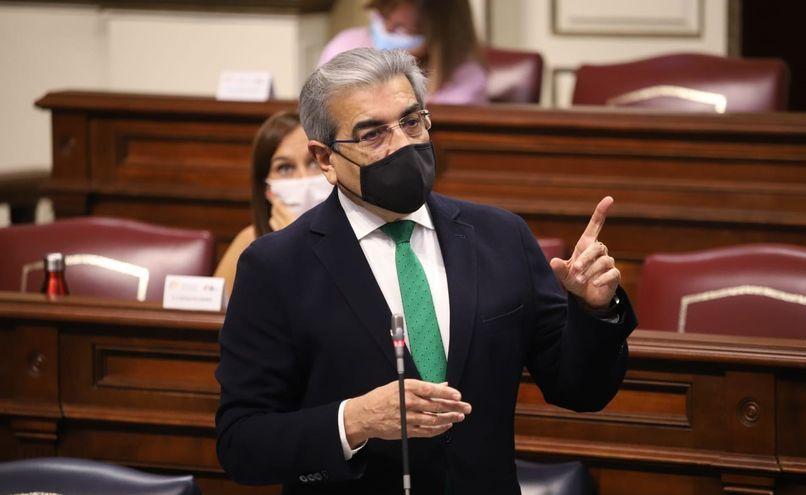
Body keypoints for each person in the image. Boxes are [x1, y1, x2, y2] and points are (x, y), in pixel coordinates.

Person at [215, 48, 636, 494]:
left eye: (412, 122)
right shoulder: (277, 267)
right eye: (373, 134)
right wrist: (354, 422)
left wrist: (595, 312)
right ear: (325, 159)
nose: (402, 145)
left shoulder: (500, 238)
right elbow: (242, 443)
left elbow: (581, 390)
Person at [214, 111, 331, 294]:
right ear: (267, 188)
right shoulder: (250, 240)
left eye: (313, 163)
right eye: (285, 168)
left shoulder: (358, 236)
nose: (303, 178)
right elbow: (213, 313)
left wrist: (297, 243)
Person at [318, 0, 488, 105]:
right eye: (382, 15)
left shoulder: (468, 79)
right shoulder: (344, 45)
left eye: (400, 29)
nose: (386, 28)